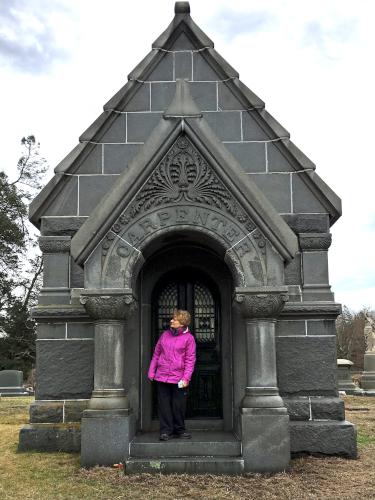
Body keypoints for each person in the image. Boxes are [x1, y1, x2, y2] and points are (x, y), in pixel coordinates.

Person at [148, 309, 196, 441]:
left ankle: (179, 430)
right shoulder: (165, 335)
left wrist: (186, 378)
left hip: (179, 378)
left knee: (178, 405)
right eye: (172, 318)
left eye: (174, 319)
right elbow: (156, 354)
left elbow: (190, 360)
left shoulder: (189, 339)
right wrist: (151, 371)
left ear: (182, 323)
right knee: (164, 405)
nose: (171, 320)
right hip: (161, 376)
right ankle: (165, 431)